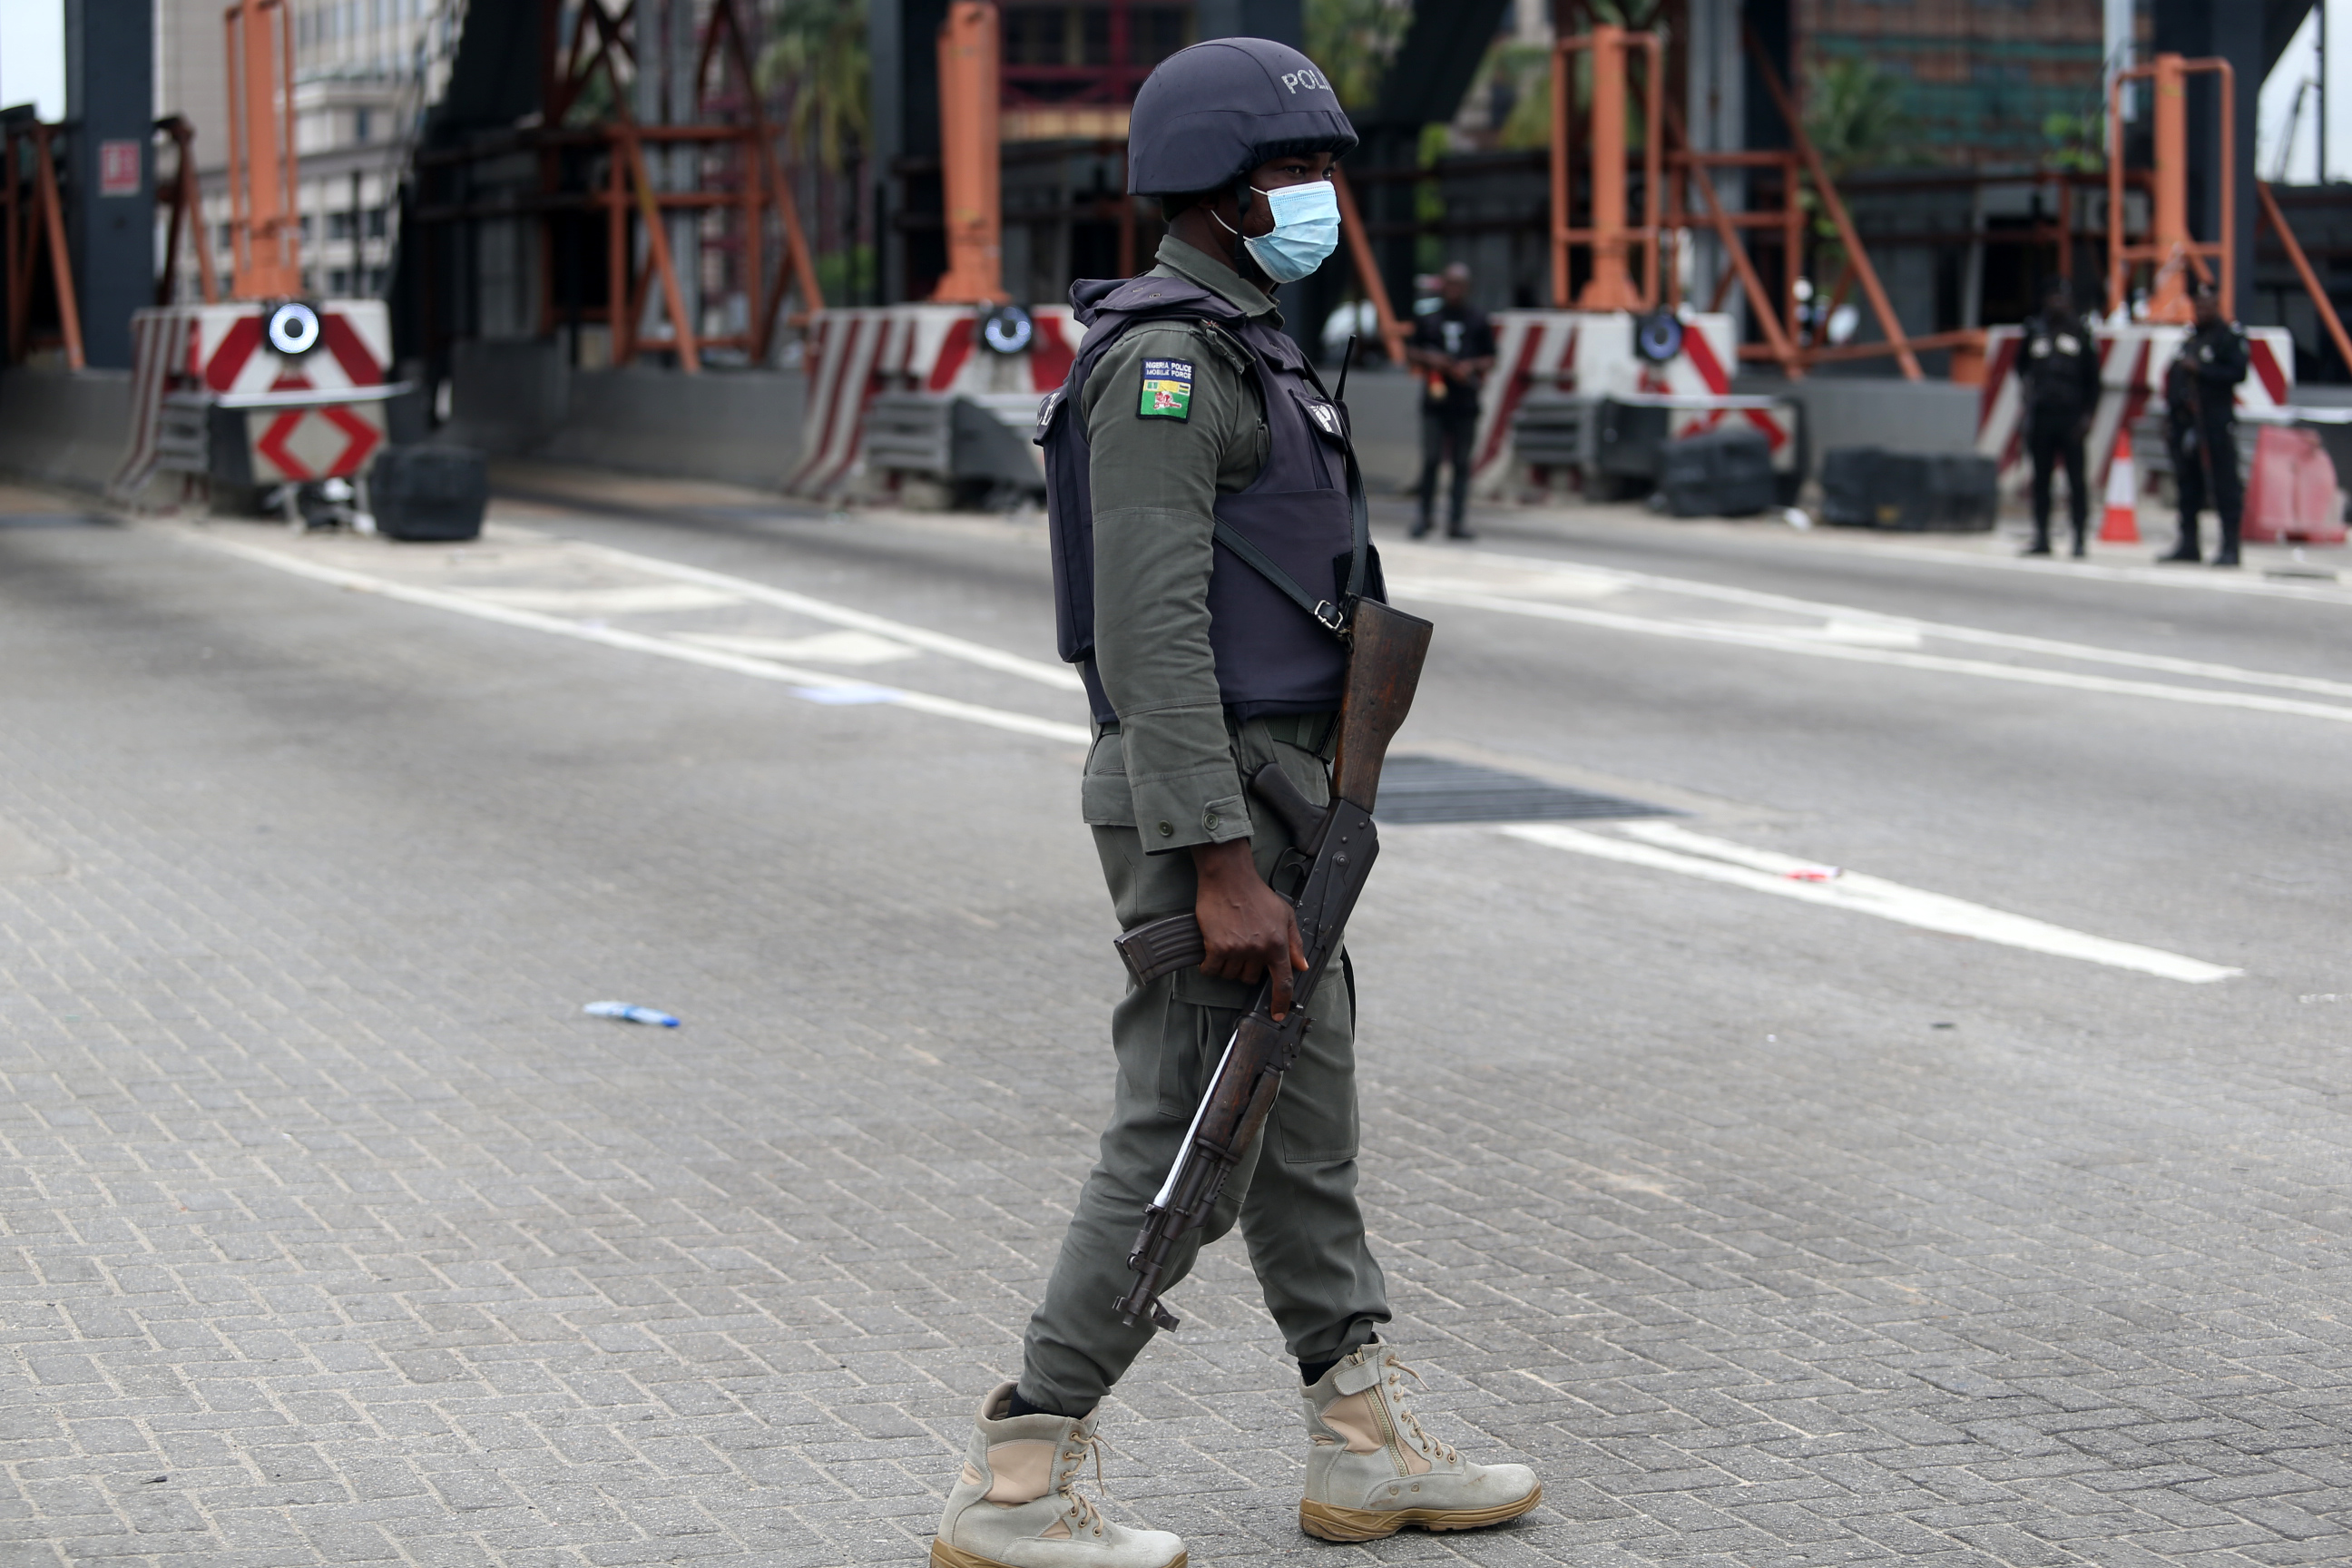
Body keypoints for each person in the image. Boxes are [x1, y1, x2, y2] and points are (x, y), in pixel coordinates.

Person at [929, 37, 1542, 1568]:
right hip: (1211, 796)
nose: (1322, 195)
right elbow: (1150, 632)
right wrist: (1216, 857)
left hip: (1288, 792)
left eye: (1325, 167)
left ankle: (1361, 1441)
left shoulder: (1251, 345)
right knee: (1186, 1135)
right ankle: (1020, 1471)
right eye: (1293, 171)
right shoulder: (1165, 367)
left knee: (1303, 1123)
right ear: (1212, 188)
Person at [2160, 280, 2250, 568]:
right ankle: (2189, 544)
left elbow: (2238, 373)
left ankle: (2230, 547)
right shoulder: (2190, 338)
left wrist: (2202, 369)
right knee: (2188, 484)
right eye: (2198, 304)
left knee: (2225, 485)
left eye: (2207, 304)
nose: (2202, 309)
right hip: (2187, 423)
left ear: (2217, 304)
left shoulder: (2228, 337)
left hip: (2215, 422)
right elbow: (2174, 377)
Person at [1406, 261, 1496, 539]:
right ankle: (1425, 517)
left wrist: (1470, 367)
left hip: (1466, 402)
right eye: (1450, 283)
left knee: (1461, 463)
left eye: (1459, 284)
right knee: (1431, 459)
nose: (1454, 289)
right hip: (1435, 401)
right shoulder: (1428, 319)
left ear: (1467, 288)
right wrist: (1433, 360)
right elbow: (1410, 351)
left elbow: (1491, 357)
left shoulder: (1478, 319)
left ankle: (1456, 521)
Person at [2014, 279, 2102, 558]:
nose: (2057, 303)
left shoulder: (2080, 332)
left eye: (2061, 298)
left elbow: (2093, 379)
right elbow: (2021, 366)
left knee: (2076, 481)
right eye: (2052, 297)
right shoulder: (2035, 331)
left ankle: (2079, 538)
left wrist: (2088, 416)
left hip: (2071, 416)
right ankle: (2042, 535)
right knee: (2041, 479)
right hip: (2042, 415)